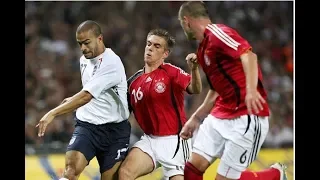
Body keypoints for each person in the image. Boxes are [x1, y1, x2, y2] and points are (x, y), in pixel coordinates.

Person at [177, 2, 288, 180]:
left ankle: (275, 174)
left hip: (246, 115)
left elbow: (249, 56)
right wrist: (196, 118)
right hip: (220, 114)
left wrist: (251, 91)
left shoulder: (218, 33)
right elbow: (215, 90)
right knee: (191, 170)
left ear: (186, 21)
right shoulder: (203, 49)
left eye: (181, 24)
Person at [36, 20, 131, 180]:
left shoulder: (111, 63)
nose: (83, 48)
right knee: (70, 172)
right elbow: (90, 89)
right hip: (87, 127)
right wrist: (73, 99)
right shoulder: (84, 60)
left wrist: (53, 113)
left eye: (87, 43)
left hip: (115, 132)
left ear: (100, 38)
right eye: (80, 44)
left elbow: (87, 95)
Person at [118, 28, 202, 180]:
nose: (150, 48)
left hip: (174, 141)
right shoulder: (133, 82)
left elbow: (195, 89)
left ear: (165, 54)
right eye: (148, 44)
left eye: (157, 46)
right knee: (125, 173)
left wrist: (194, 69)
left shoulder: (171, 72)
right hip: (149, 140)